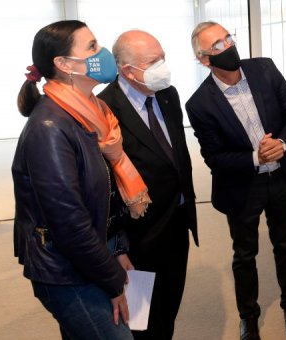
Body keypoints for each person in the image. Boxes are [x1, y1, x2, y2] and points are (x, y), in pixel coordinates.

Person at [13, 20, 152, 339]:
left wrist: (117, 248)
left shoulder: (95, 112)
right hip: (68, 272)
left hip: (96, 256)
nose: (101, 53)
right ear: (63, 64)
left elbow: (104, 196)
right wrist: (113, 280)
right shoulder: (50, 128)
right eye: (91, 47)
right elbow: (69, 224)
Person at [186, 21, 286, 340]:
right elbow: (213, 157)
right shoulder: (199, 104)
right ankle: (248, 317)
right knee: (244, 254)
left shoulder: (264, 69)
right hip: (242, 187)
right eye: (217, 46)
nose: (227, 46)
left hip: (282, 178)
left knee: (285, 245)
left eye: (228, 38)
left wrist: (281, 144)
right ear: (203, 59)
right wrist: (256, 158)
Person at [98, 30, 199, 340]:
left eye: (163, 58)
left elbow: (176, 158)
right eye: (155, 62)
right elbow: (104, 186)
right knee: (140, 320)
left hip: (177, 224)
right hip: (138, 237)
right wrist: (116, 245)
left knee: (168, 309)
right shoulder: (103, 109)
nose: (163, 67)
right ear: (128, 70)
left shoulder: (168, 94)